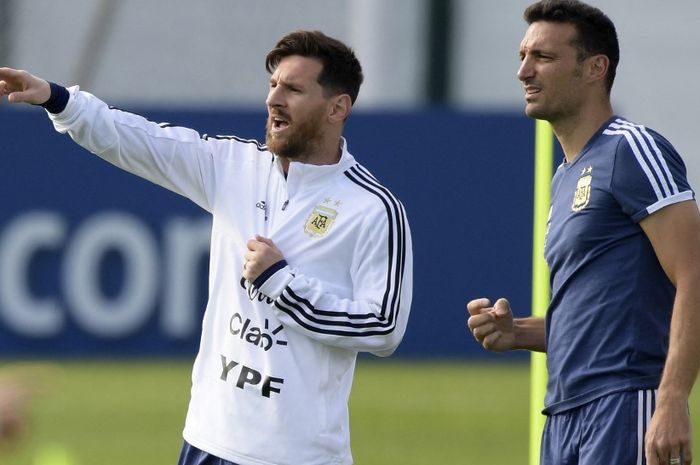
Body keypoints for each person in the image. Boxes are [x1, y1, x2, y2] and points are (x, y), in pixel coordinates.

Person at [0, 30, 413, 465]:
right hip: (206, 440)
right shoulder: (235, 166)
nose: (274, 99)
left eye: (293, 89)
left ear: (337, 107)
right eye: (273, 85)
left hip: (294, 454)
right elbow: (138, 140)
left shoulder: (373, 208)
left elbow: (382, 327)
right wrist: (58, 99)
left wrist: (281, 283)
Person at [466, 1, 700, 464]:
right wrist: (520, 333)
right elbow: (605, 319)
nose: (524, 72)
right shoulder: (566, 176)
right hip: (565, 416)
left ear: (595, 68)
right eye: (522, 57)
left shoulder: (633, 148)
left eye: (544, 58)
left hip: (625, 402)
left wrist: (672, 398)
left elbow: (694, 272)